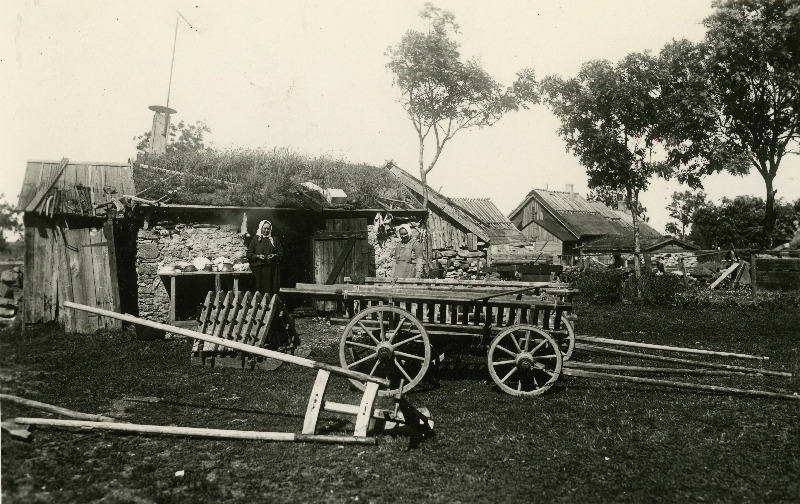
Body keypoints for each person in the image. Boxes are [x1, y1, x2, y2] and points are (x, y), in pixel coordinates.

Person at [247, 220, 283, 295]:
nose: (266, 230)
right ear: (261, 228)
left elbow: (281, 252)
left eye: (268, 229)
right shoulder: (256, 239)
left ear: (270, 229)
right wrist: (257, 256)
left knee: (270, 290)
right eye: (264, 228)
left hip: (271, 270)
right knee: (259, 290)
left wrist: (274, 255)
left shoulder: (274, 239)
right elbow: (249, 254)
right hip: (259, 270)